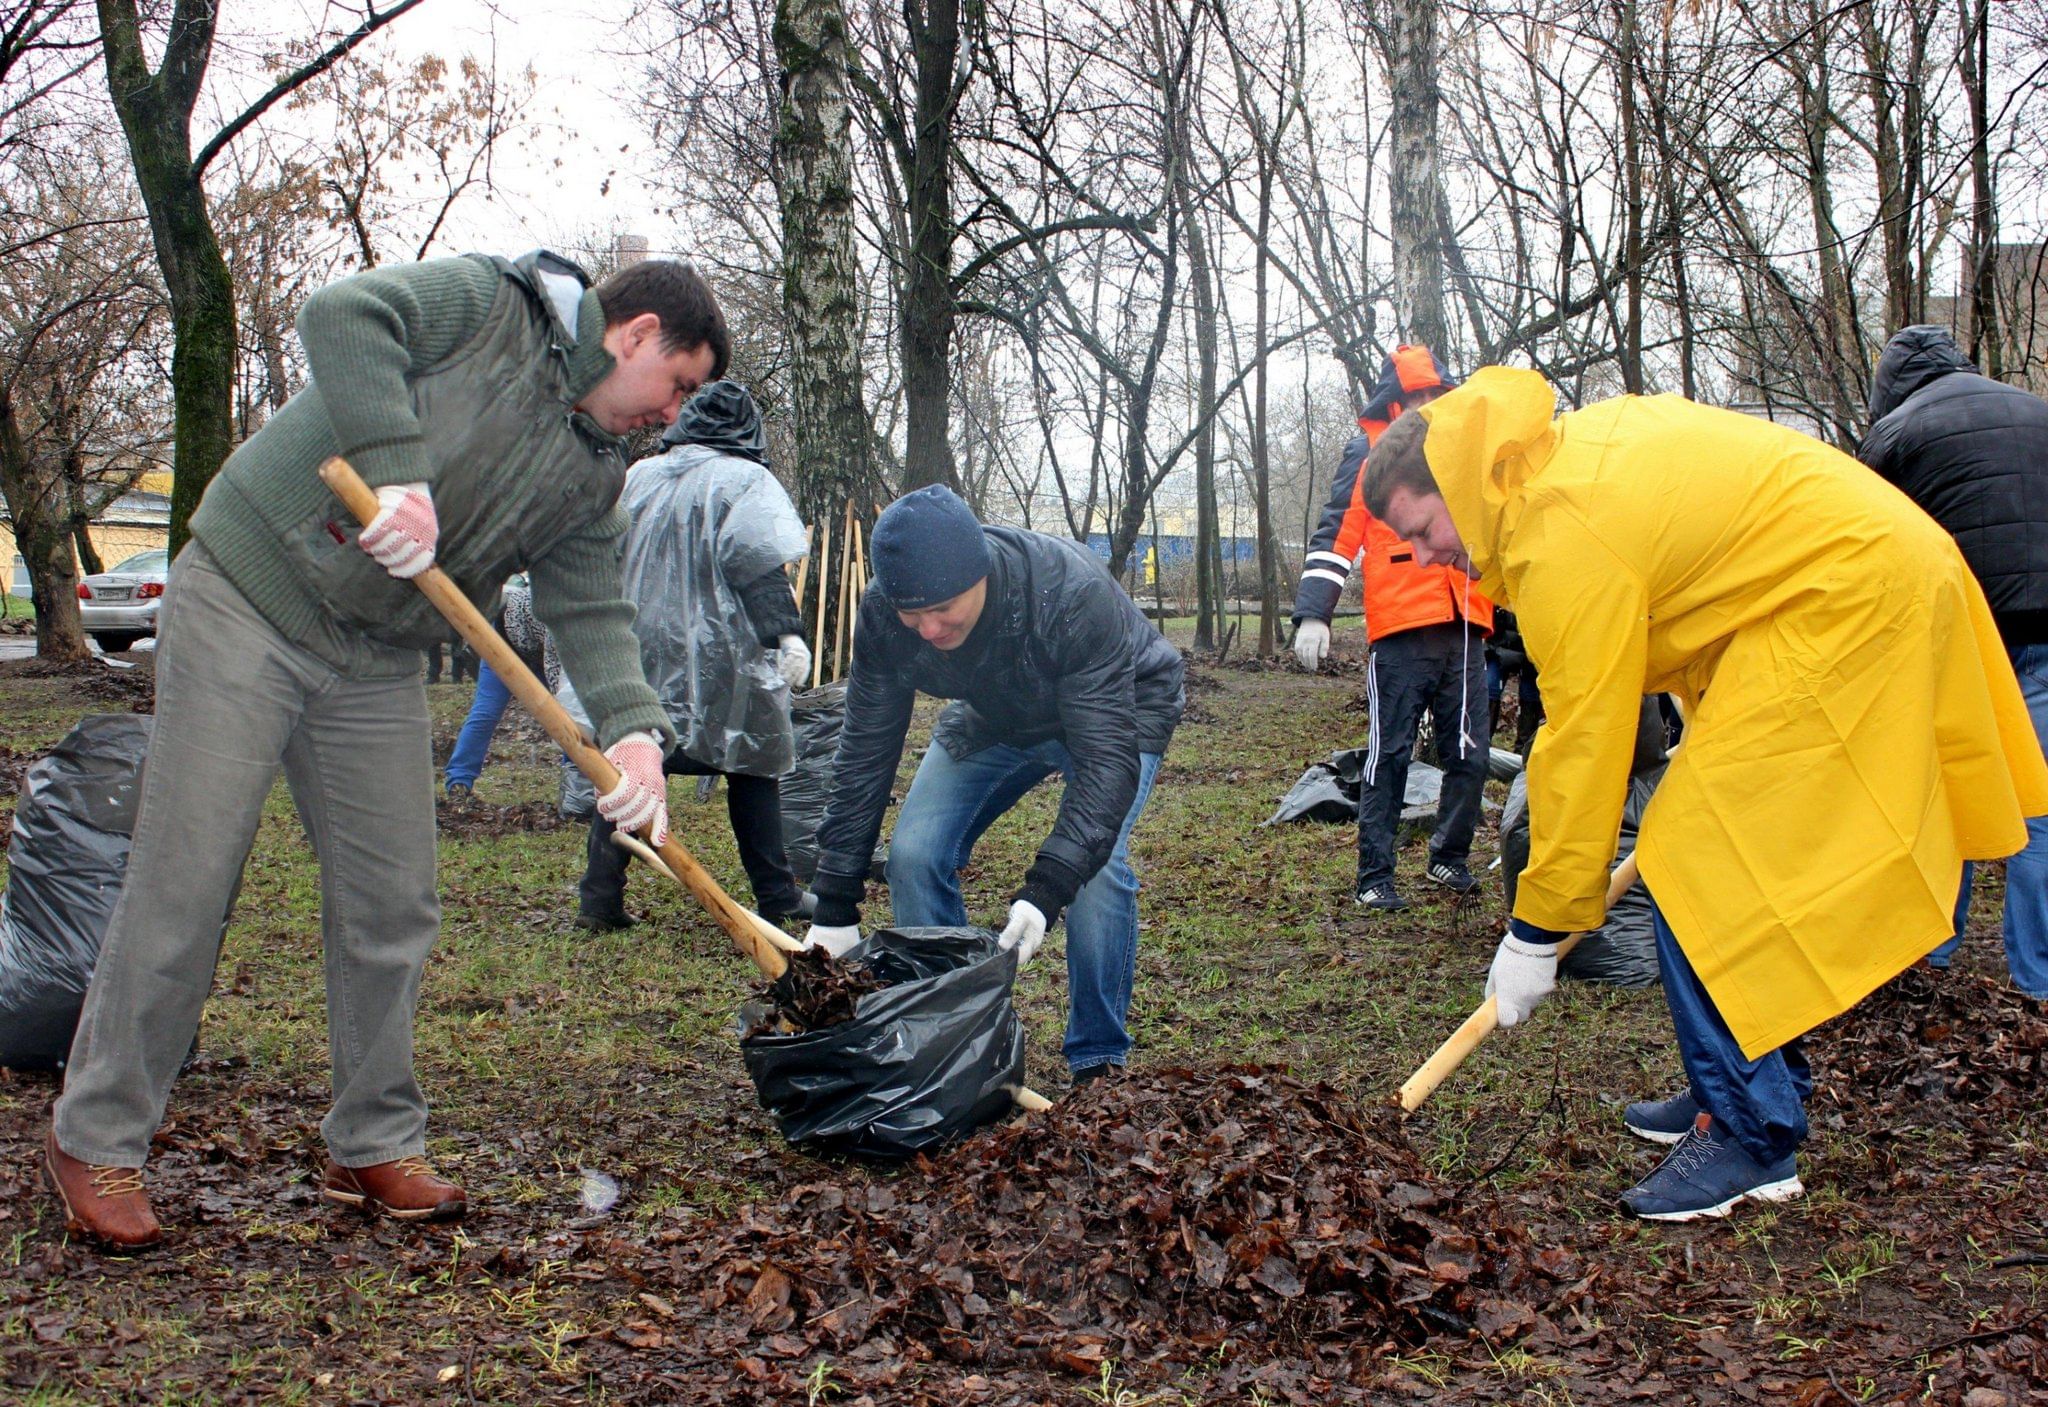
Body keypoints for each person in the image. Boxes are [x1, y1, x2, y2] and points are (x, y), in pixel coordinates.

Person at [45, 250, 729, 1250]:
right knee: (188, 878)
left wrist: (632, 737)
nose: (671, 414)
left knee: (392, 899)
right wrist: (397, 469)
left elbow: (590, 601)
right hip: (252, 594)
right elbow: (343, 310)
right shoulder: (493, 309)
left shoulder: (594, 471)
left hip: (373, 659)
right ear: (633, 338)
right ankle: (97, 1136)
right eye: (676, 385)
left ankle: (371, 1140)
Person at [1364, 367, 2048, 1221]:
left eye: (1422, 529)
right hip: (1824, 600)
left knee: (1699, 849)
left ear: (1458, 483)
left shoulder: (1557, 524)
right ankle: (1738, 1088)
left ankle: (1751, 1134)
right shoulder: (1548, 473)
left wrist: (1537, 928)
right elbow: (1699, 586)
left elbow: (1585, 738)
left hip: (1856, 598)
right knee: (1706, 838)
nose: (1424, 556)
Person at [801, 485, 1184, 1083]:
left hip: (1120, 709)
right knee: (913, 855)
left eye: (942, 608)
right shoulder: (883, 616)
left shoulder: (1068, 594)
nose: (927, 629)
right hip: (995, 717)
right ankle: (957, 1042)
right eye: (912, 612)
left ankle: (1098, 1059)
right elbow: (866, 750)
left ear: (980, 573)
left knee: (1097, 868)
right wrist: (834, 895)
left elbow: (1107, 762)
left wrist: (1047, 886)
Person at [576, 381, 816, 931]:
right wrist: (786, 634)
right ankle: (777, 896)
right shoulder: (746, 480)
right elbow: (755, 564)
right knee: (751, 763)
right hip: (719, 650)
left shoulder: (637, 475)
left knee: (629, 764)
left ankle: (598, 899)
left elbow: (600, 551)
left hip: (635, 642)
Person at [1857, 325, 2048, 999]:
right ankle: (2040, 978)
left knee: (1942, 796)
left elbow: (1866, 545)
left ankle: (1930, 954)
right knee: (2040, 806)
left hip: (1965, 638)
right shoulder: (2035, 410)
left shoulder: (1897, 433)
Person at [1290, 345, 1493, 911]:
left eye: (1436, 395)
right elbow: (1339, 530)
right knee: (1389, 755)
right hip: (1401, 625)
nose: (1428, 405)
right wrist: (1315, 610)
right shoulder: (1371, 451)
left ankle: (1448, 859)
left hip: (1467, 621)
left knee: (1470, 753)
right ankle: (1374, 876)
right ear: (1395, 402)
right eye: (1418, 396)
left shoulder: (1460, 452)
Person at [442, 576, 547, 800]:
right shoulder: (562, 610)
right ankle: (459, 782)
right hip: (502, 639)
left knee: (568, 715)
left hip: (535, 646)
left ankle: (579, 784)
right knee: (487, 709)